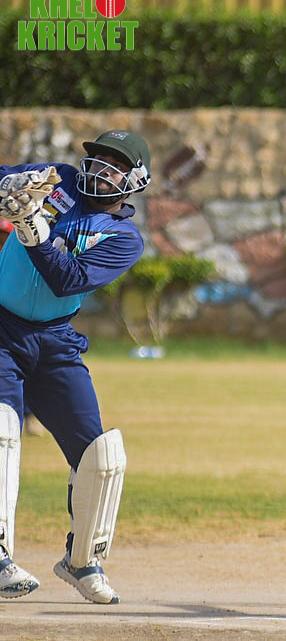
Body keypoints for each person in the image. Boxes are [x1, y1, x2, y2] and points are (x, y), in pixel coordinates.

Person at [0, 130, 151, 603]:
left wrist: (33, 229)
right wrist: (10, 184)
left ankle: (82, 560)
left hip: (56, 341)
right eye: (98, 159)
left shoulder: (124, 238)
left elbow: (67, 280)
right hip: (2, 329)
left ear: (136, 181)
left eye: (115, 166)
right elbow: (6, 182)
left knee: (100, 456)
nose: (100, 170)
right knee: (2, 429)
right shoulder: (58, 179)